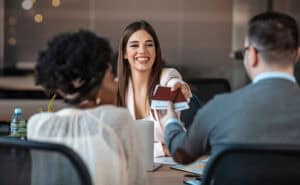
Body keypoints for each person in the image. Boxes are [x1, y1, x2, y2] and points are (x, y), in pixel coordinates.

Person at [162, 11, 300, 164]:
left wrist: (171, 119)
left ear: (252, 55)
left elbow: (181, 153)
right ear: (297, 54)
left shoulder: (220, 107)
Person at [27, 30, 146, 185]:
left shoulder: (37, 124)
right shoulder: (117, 120)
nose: (116, 82)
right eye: (110, 75)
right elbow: (141, 182)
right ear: (96, 81)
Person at [116, 20, 192, 156]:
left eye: (149, 45)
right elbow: (118, 145)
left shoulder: (166, 78)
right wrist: (161, 149)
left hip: (171, 167)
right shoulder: (117, 88)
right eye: (134, 45)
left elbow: (173, 82)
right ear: (124, 54)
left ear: (156, 51)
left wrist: (180, 86)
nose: (142, 51)